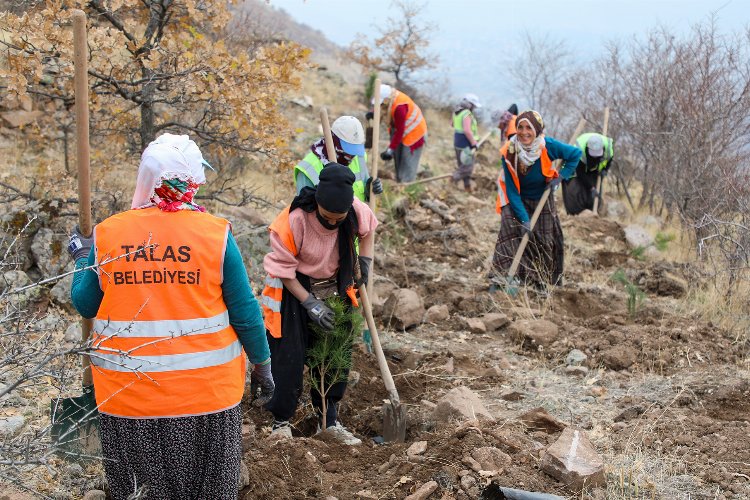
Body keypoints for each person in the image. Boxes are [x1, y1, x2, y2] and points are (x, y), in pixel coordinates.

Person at [67, 133, 273, 499]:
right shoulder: (215, 235)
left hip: (130, 401)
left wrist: (83, 257)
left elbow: (85, 303)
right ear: (190, 181)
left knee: (143, 492)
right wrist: (262, 364)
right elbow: (244, 312)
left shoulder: (109, 234)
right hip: (206, 400)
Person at [260, 164, 377, 445]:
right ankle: (281, 423)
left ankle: (329, 420)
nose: (334, 223)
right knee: (289, 357)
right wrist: (310, 303)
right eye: (328, 217)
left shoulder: (355, 210)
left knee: (334, 358)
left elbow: (369, 229)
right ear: (317, 205)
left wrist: (365, 262)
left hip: (336, 287)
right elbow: (284, 270)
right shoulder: (295, 219)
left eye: (340, 218)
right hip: (295, 289)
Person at [490, 110, 582, 289]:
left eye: (529, 128)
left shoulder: (548, 146)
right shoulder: (509, 151)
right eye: (520, 127)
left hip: (542, 197)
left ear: (538, 130)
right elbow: (512, 191)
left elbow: (575, 155)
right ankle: (501, 278)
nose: (524, 132)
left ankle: (539, 280)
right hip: (516, 198)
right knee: (510, 228)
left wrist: (560, 177)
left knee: (542, 238)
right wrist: (524, 220)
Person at [294, 115, 382, 201]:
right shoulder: (309, 169)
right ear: (333, 141)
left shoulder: (359, 157)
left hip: (357, 215)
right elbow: (305, 209)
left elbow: (363, 190)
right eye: (348, 150)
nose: (351, 156)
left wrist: (369, 190)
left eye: (355, 150)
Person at [371, 83, 427, 183]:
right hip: (401, 131)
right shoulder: (390, 99)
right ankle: (399, 180)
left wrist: (390, 149)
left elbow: (399, 131)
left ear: (386, 99)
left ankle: (406, 186)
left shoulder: (399, 108)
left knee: (407, 163)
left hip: (414, 134)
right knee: (398, 159)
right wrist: (372, 113)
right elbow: (381, 107)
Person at [562, 132, 614, 215]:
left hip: (593, 169)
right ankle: (575, 213)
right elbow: (580, 173)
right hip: (576, 169)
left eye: (597, 155)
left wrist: (605, 170)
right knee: (575, 187)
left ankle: (593, 210)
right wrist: (591, 188)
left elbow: (609, 160)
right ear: (587, 149)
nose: (595, 157)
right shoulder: (579, 151)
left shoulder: (608, 149)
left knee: (595, 190)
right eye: (593, 155)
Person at [451, 93, 482, 192]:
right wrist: (474, 143)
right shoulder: (467, 114)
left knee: (462, 165)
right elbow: (467, 130)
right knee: (467, 168)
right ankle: (453, 180)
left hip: (457, 142)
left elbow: (452, 124)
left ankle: (467, 187)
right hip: (466, 144)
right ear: (470, 105)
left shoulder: (457, 111)